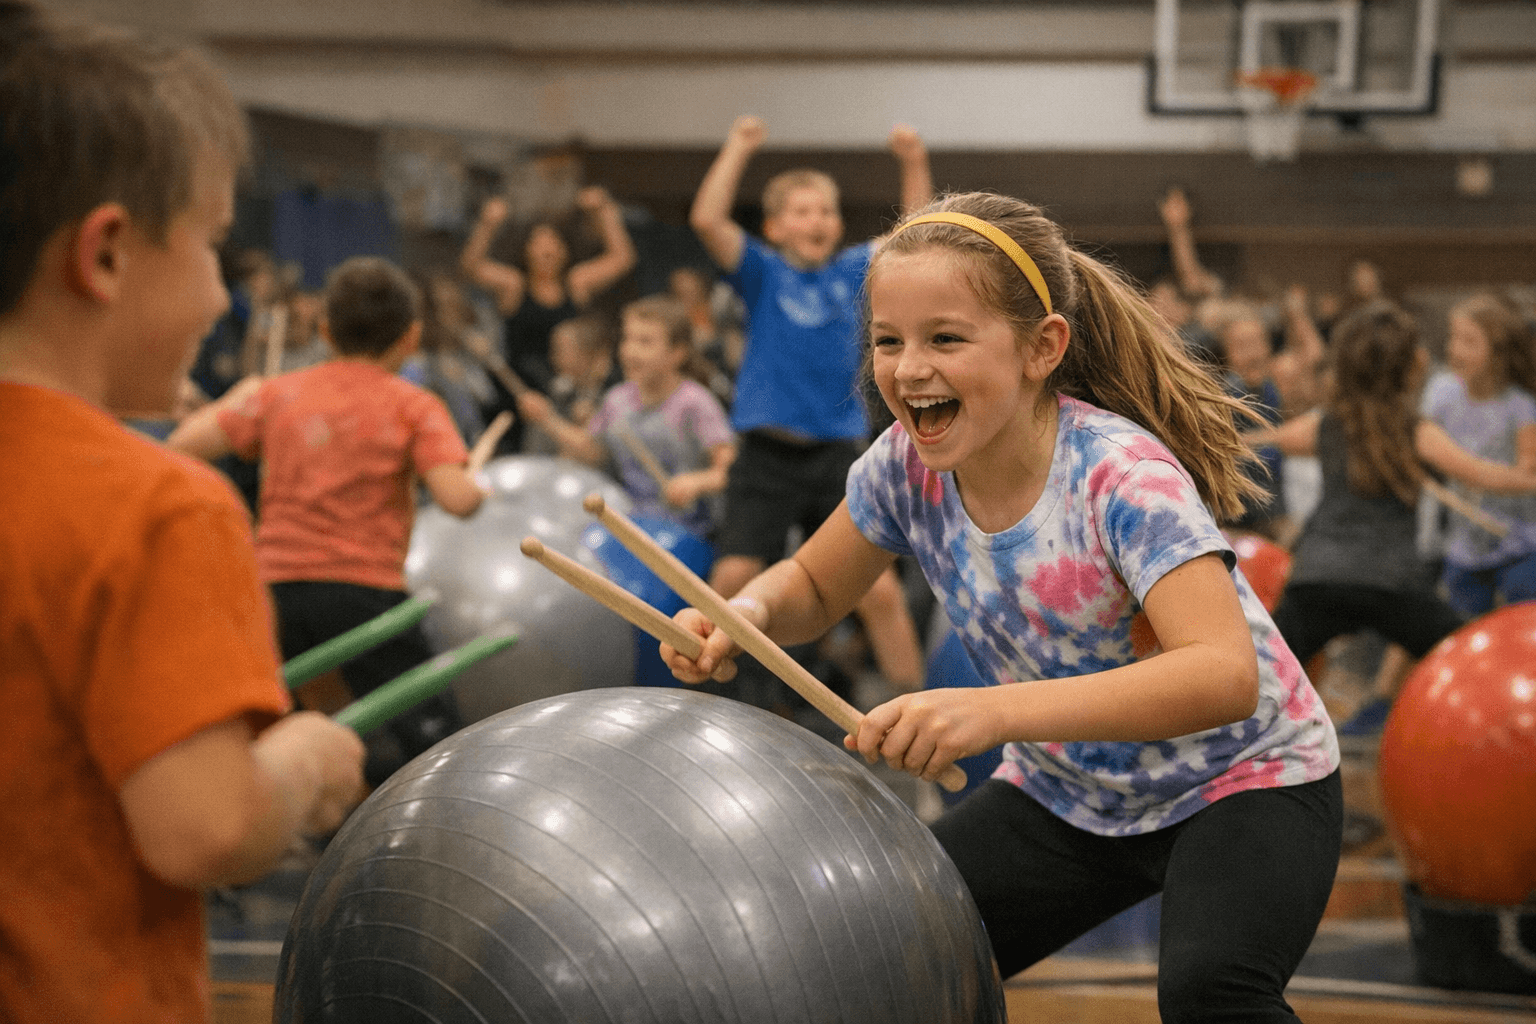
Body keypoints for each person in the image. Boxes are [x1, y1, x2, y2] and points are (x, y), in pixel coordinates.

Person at [666, 191, 1343, 1021]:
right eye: (888, 341)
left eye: (945, 337)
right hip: (1070, 794)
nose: (908, 368)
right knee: (889, 960)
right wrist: (743, 615)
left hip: (1243, 779)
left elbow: (1223, 674)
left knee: (1213, 995)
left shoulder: (1121, 475)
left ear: (1041, 348)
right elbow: (811, 585)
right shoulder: (901, 467)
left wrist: (993, 713)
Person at [0, 9, 365, 1022]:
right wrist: (296, 767)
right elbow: (204, 827)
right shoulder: (154, 504)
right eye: (210, 244)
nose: (219, 293)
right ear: (105, 253)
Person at [168, 257, 487, 786]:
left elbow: (182, 445)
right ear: (411, 337)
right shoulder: (415, 404)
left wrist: (237, 398)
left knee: (267, 744)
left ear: (324, 331)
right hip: (365, 598)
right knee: (436, 751)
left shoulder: (279, 392)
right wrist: (477, 486)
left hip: (274, 595)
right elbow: (457, 500)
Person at [689, 115, 931, 695]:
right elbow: (706, 219)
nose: (817, 220)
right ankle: (709, 705)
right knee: (732, 580)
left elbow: (918, 230)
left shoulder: (853, 272)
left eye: (826, 210)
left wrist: (912, 161)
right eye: (802, 211)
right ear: (774, 226)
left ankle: (917, 716)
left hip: (837, 456)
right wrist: (738, 145)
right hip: (766, 457)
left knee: (879, 592)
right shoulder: (762, 272)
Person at [1255, 301, 1536, 734]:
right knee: (1470, 660)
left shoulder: (1326, 426)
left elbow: (1261, 439)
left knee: (1261, 677)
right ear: (1414, 367)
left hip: (1319, 582)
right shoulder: (1418, 431)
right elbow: (1488, 477)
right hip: (1394, 587)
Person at [519, 294, 736, 539]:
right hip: (631, 522)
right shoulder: (618, 399)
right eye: (627, 339)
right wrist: (547, 419)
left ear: (678, 353)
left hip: (687, 530)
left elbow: (729, 470)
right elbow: (593, 451)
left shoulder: (695, 402)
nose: (630, 351)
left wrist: (696, 482)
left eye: (645, 342)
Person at [459, 184, 637, 448]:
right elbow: (470, 267)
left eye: (553, 244)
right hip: (520, 388)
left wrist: (605, 214)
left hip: (569, 390)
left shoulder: (576, 282)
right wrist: (488, 225)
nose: (546, 251)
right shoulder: (514, 285)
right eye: (538, 244)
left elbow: (622, 259)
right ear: (526, 250)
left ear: (565, 250)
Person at [1420, 291, 1536, 614]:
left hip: (1520, 545)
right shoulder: (1441, 393)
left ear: (1498, 353)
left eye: (1469, 341)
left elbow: (1530, 474)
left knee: (1521, 628)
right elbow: (1421, 444)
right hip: (1464, 546)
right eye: (1454, 338)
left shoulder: (1520, 406)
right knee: (1461, 632)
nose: (1456, 350)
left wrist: (1473, 472)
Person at [401, 269, 497, 444]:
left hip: (473, 388)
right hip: (427, 383)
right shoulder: (419, 327)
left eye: (450, 289)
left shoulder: (475, 319)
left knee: (452, 381)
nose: (446, 296)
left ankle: (470, 441)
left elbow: (488, 385)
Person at [521, 311, 618, 456]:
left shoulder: (615, 393)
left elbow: (597, 453)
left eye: (561, 350)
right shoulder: (559, 390)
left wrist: (546, 418)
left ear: (590, 353)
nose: (553, 357)